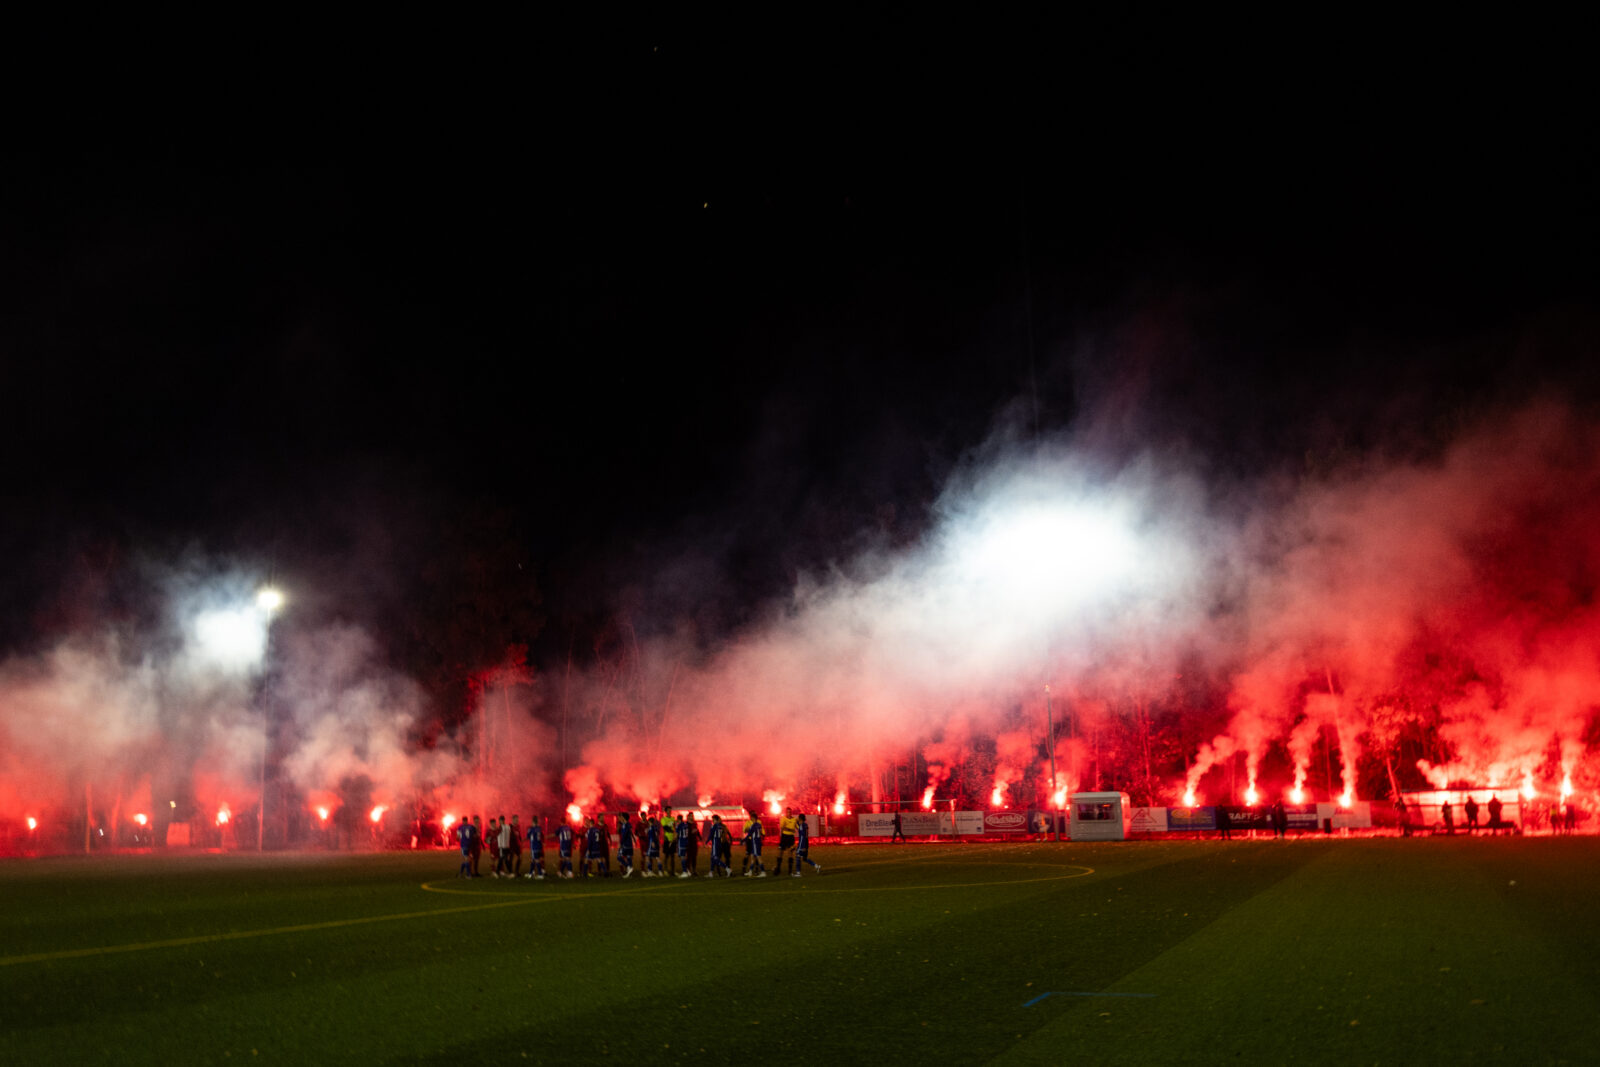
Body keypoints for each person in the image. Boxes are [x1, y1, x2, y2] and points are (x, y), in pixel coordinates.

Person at [742, 810, 766, 877]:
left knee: (758, 857)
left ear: (753, 818)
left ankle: (763, 872)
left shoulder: (753, 825)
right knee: (752, 857)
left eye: (751, 818)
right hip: (757, 841)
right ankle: (750, 871)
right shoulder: (759, 824)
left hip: (755, 842)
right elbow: (761, 833)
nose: (750, 819)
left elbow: (749, 834)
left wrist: (743, 840)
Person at [775, 807, 799, 875]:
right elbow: (782, 827)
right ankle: (778, 868)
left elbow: (797, 827)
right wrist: (791, 829)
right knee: (780, 852)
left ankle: (790, 870)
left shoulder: (794, 819)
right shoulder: (783, 818)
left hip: (791, 837)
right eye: (788, 812)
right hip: (784, 836)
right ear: (786, 813)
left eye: (790, 812)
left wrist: (802, 828)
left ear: (791, 813)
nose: (789, 813)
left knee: (790, 852)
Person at [662, 808, 678, 877]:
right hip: (667, 839)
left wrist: (675, 836)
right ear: (665, 812)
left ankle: (672, 871)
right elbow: (665, 828)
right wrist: (672, 831)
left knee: (672, 856)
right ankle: (665, 870)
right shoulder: (663, 819)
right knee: (666, 856)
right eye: (668, 810)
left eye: (670, 810)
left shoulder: (673, 819)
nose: (669, 812)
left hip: (672, 840)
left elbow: (675, 827)